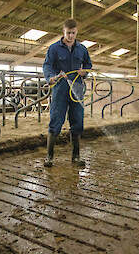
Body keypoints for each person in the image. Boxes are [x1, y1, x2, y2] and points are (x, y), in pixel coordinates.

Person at [42, 18, 92, 167]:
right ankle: (49, 157)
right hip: (60, 87)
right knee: (56, 119)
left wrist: (84, 72)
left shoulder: (82, 49)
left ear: (77, 32)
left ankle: (76, 157)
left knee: (77, 120)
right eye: (68, 33)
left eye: (73, 33)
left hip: (76, 87)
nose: (71, 36)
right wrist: (52, 77)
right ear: (63, 32)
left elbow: (88, 64)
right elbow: (47, 65)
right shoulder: (54, 48)